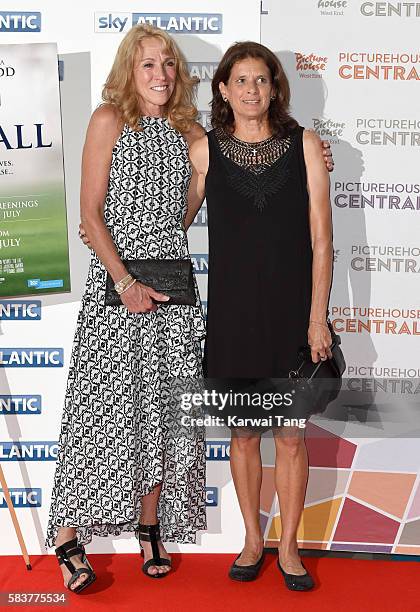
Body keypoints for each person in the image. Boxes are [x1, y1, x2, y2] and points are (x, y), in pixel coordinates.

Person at [45, 24, 207, 592]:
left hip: (173, 292)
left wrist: (317, 152)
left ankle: (149, 525)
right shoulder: (108, 121)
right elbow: (90, 217)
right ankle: (68, 536)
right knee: (101, 413)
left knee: (163, 415)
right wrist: (126, 280)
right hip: (117, 290)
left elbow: (187, 212)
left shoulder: (190, 132)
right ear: (128, 70)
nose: (160, 75)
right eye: (147, 65)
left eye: (167, 64)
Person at [186, 41, 333, 591]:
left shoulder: (305, 145)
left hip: (291, 316)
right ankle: (253, 539)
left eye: (262, 80)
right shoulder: (205, 150)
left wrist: (316, 319)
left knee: (292, 437)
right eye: (241, 81)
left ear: (275, 88)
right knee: (244, 435)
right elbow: (172, 219)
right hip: (231, 317)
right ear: (222, 89)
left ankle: (290, 547)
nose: (252, 90)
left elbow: (323, 241)